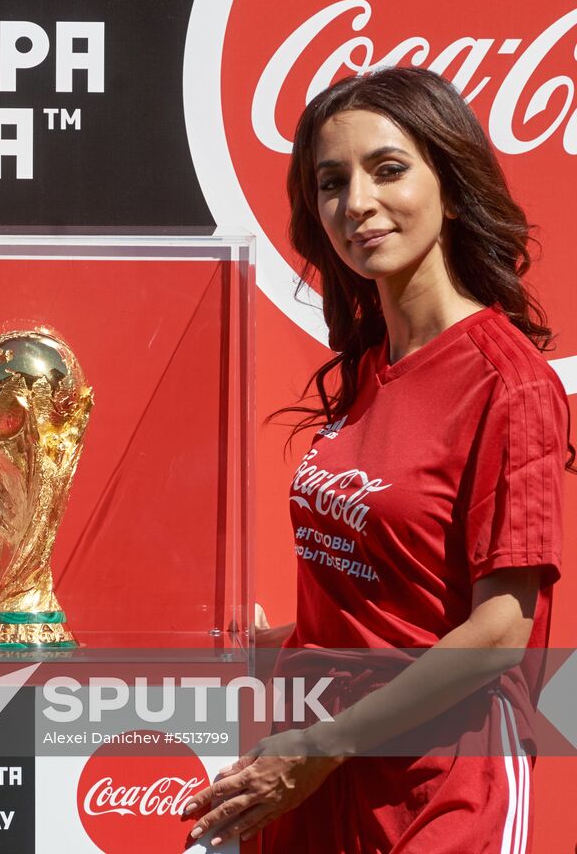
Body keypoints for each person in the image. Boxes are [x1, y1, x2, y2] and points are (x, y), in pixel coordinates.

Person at [183, 67, 571, 851]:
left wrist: (324, 746)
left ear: (451, 187)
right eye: (331, 182)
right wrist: (263, 645)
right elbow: (391, 607)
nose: (356, 202)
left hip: (437, 784)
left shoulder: (509, 384)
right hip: (312, 766)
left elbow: (501, 629)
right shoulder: (367, 370)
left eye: (387, 169)